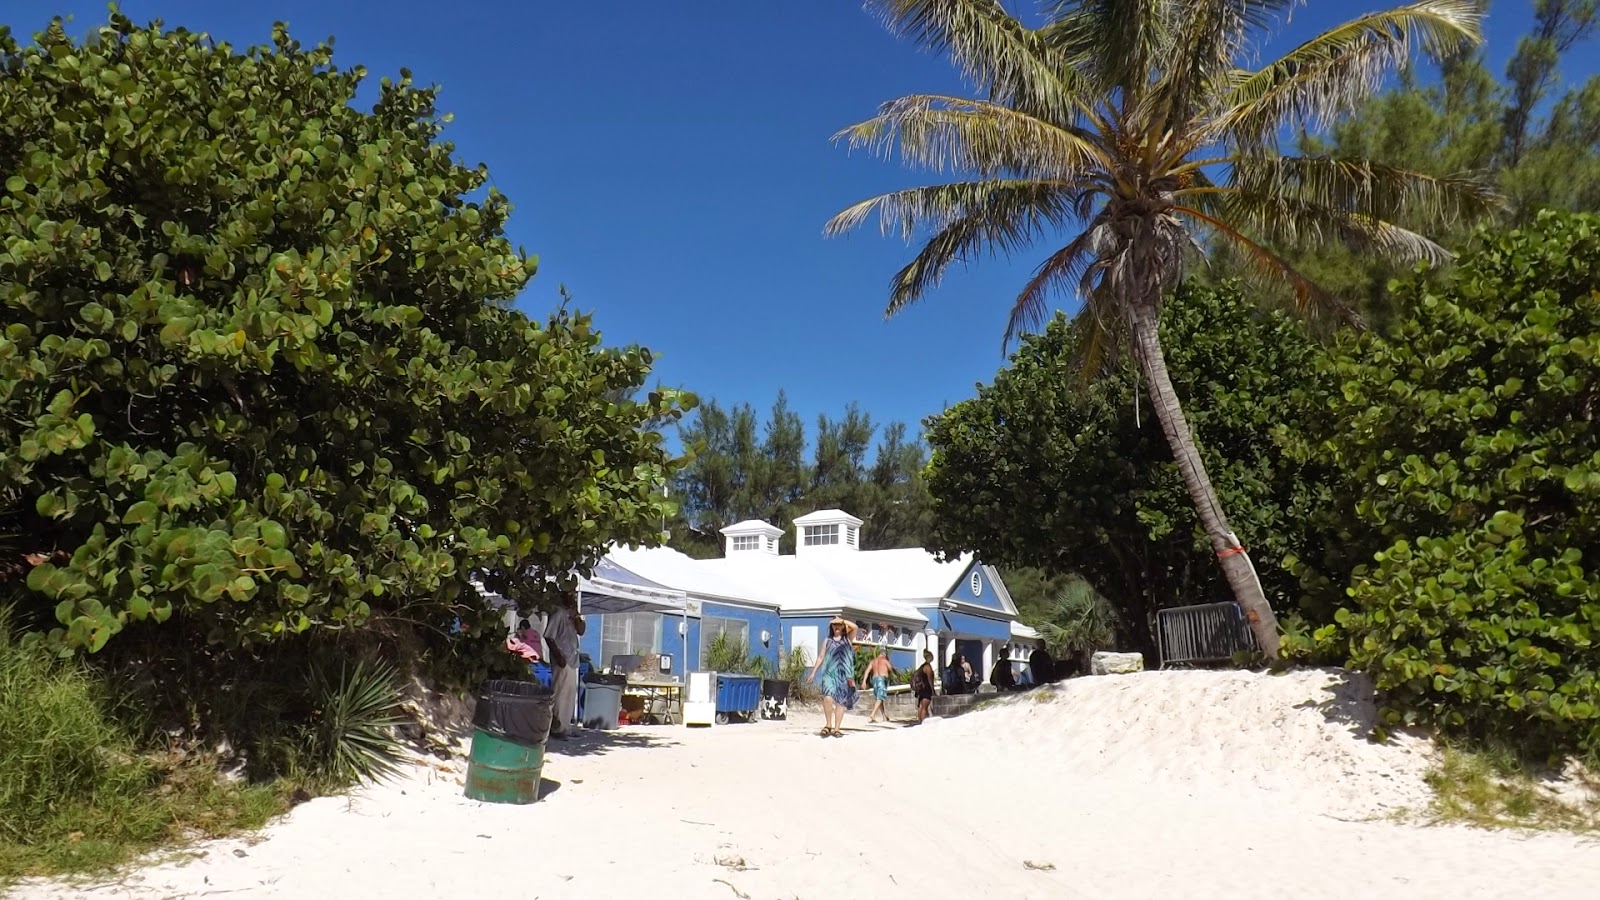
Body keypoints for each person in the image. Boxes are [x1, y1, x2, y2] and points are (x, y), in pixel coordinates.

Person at [543, 592, 586, 740]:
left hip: (572, 658)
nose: (573, 598)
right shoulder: (558, 613)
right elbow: (548, 636)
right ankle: (556, 728)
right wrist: (558, 656)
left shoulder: (572, 614)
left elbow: (581, 630)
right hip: (562, 658)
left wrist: (576, 616)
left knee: (569, 694)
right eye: (570, 595)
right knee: (559, 694)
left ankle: (566, 727)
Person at [808, 616, 857, 737]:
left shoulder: (848, 639)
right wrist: (813, 672)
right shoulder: (827, 640)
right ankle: (828, 724)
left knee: (841, 702)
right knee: (827, 698)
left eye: (839, 625)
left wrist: (842, 620)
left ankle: (837, 728)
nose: (837, 627)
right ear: (831, 627)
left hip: (844, 675)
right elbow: (821, 657)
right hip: (829, 674)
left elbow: (855, 627)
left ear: (843, 626)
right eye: (834, 625)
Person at [861, 647, 893, 724]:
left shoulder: (873, 661)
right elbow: (890, 669)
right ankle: (872, 715)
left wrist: (864, 681)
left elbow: (867, 671)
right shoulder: (885, 661)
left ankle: (884, 716)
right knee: (880, 697)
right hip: (882, 679)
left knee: (879, 698)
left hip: (874, 679)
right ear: (884, 654)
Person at [911, 650, 936, 723]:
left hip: (921, 689)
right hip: (926, 689)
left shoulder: (922, 666)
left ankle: (920, 721)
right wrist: (932, 690)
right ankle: (923, 721)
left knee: (921, 706)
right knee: (924, 707)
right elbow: (930, 679)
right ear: (930, 657)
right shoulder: (928, 667)